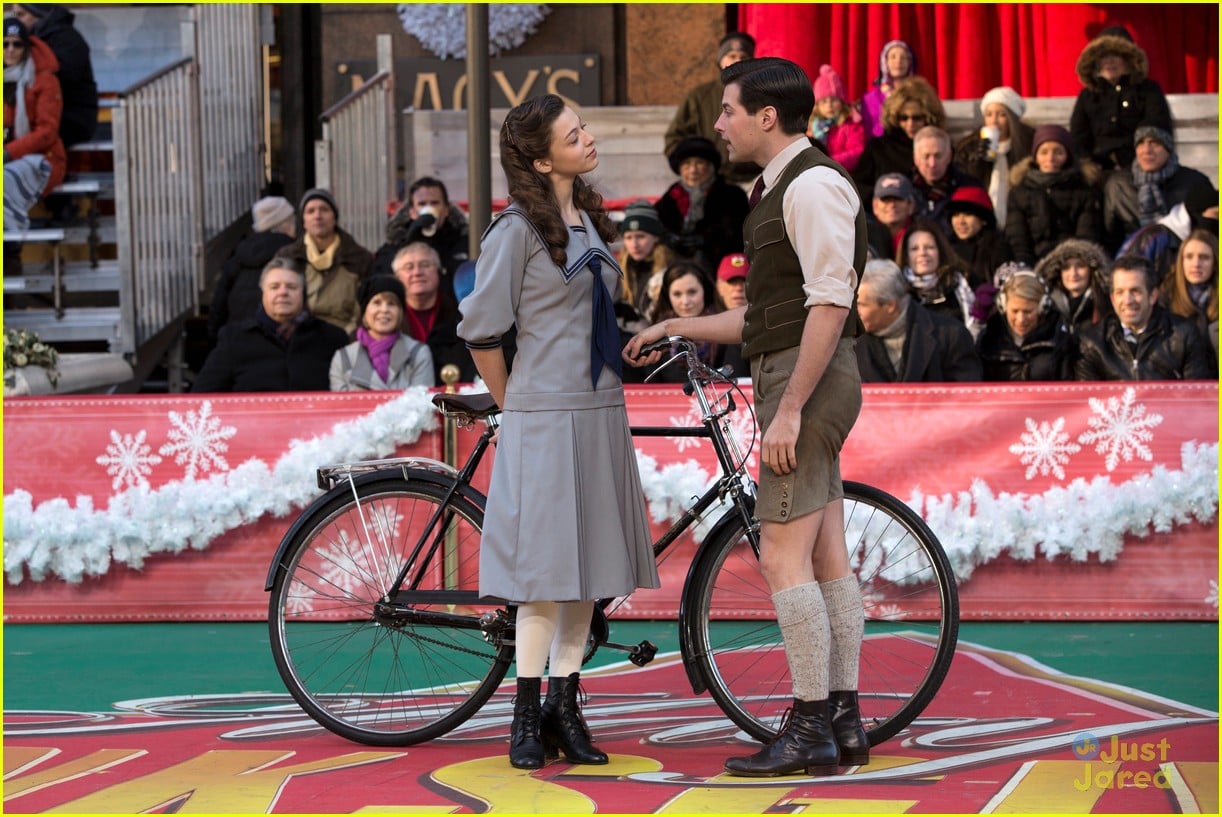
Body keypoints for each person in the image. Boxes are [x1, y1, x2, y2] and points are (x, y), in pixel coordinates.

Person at [625, 56, 869, 778]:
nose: (719, 124)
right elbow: (768, 314)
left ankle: (809, 729)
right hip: (802, 372)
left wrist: (790, 408)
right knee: (825, 554)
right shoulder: (783, 186)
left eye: (729, 110)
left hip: (807, 381)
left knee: (782, 556)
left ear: (768, 116)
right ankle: (842, 720)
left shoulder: (813, 184)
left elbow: (832, 303)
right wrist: (678, 326)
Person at [457, 94, 660, 770]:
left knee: (588, 573)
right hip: (546, 416)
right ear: (542, 157)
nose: (590, 137)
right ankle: (523, 712)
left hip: (600, 408)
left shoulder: (587, 217)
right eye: (576, 134)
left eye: (586, 128)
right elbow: (481, 328)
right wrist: (513, 403)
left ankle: (564, 706)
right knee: (546, 575)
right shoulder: (514, 229)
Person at [192, 258, 349, 392]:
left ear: (303, 293)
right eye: (274, 287)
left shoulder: (332, 338)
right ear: (263, 293)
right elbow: (202, 395)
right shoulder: (234, 339)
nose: (283, 292)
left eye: (291, 287)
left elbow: (351, 396)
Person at [1075, 255, 1214, 380]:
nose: (1127, 300)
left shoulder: (1184, 335)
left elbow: (1196, 396)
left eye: (1135, 291)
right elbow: (1089, 402)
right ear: (1112, 299)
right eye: (1120, 292)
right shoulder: (1093, 341)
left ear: (1153, 296)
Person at [854, 259, 980, 382]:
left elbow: (966, 396)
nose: (854, 311)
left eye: (861, 304)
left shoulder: (951, 335)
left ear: (890, 306)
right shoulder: (851, 343)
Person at [1069, 25, 1172, 172]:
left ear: (1129, 59)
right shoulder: (1088, 95)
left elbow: (1156, 129)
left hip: (1139, 168)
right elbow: (1078, 139)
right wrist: (1088, 167)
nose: (1109, 61)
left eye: (1116, 55)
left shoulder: (1148, 90)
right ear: (1096, 62)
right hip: (1099, 171)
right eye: (1103, 56)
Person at [664, 31, 760, 185]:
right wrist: (693, 167)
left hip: (756, 180)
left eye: (744, 57)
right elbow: (674, 139)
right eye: (732, 56)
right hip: (711, 183)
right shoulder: (699, 97)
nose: (738, 61)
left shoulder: (764, 95)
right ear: (721, 61)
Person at [1102, 126, 1216, 254]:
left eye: (1155, 143)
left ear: (1168, 149)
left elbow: (1209, 232)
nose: (1146, 150)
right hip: (1133, 261)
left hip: (1184, 260)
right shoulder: (1118, 184)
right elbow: (1109, 235)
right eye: (1140, 143)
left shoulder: (1194, 183)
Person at [276, 188, 373, 335]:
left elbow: (368, 305)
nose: (317, 216)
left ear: (335, 217)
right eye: (310, 211)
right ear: (303, 222)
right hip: (299, 339)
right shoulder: (288, 257)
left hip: (347, 340)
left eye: (324, 209)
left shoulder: (359, 257)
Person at [1005, 124, 1104, 267]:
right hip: (1031, 262)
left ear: (1067, 155)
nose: (1050, 158)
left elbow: (1087, 235)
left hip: (1070, 263)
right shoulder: (1019, 192)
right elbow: (1017, 237)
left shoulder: (1083, 190)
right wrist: (1026, 266)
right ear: (1035, 156)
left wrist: (1066, 264)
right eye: (1044, 152)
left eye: (1058, 152)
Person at [3, 16, 65, 235]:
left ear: (26, 47)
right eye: (5, 43)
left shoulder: (44, 80)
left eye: (17, 44)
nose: (10, 50)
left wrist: (9, 153)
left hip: (42, 158)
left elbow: (47, 132)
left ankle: (11, 251)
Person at [207, 195, 297, 344]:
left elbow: (218, 307)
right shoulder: (296, 257)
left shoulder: (237, 257)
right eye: (293, 220)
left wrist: (218, 341)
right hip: (282, 344)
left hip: (239, 343)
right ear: (286, 225)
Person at [656, 135, 748, 273]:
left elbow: (735, 235)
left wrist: (704, 241)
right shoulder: (671, 197)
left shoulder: (731, 196)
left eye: (699, 163)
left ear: (711, 167)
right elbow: (656, 226)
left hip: (718, 266)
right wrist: (671, 238)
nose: (693, 170)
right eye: (687, 164)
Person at [391, 241, 477, 386]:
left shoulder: (459, 314)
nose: (417, 272)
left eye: (425, 265)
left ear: (438, 271)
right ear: (397, 277)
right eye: (409, 267)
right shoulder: (388, 321)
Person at [12, 3, 96, 149]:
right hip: (45, 114)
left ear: (38, 14)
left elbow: (60, 79)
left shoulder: (68, 40)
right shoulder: (27, 42)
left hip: (70, 118)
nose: (18, 22)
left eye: (21, 15)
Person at [851, 76, 944, 207]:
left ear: (929, 117)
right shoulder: (879, 147)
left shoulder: (940, 146)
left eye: (917, 118)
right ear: (894, 117)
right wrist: (883, 198)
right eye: (903, 118)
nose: (910, 124)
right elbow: (858, 186)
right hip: (886, 214)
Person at [330, 275, 433, 391]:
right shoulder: (343, 358)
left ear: (400, 313)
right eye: (377, 303)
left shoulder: (419, 353)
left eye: (391, 304)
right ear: (364, 312)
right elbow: (342, 406)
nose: (384, 310)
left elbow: (422, 404)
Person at [372, 176, 470, 290]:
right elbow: (383, 282)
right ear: (412, 212)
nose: (428, 209)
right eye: (422, 204)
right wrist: (409, 242)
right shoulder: (394, 244)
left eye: (434, 203)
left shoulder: (463, 243)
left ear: (446, 210)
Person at [954, 86, 1033, 227]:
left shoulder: (1028, 146)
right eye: (989, 114)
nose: (994, 121)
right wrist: (978, 161)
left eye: (1001, 114)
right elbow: (966, 185)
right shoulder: (968, 147)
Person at [976, 269, 1073, 381]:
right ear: (1003, 306)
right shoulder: (987, 340)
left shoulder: (1060, 341)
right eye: (1015, 311)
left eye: (1028, 312)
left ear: (1042, 308)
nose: (1021, 319)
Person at [897, 219, 978, 334]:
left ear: (940, 251)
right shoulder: (898, 290)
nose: (922, 253)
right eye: (914, 249)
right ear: (906, 256)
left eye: (929, 247)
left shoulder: (962, 283)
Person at [910, 126, 985, 230]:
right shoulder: (904, 189)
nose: (932, 164)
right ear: (915, 159)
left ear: (949, 156)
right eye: (926, 156)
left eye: (938, 156)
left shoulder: (969, 188)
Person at [1034, 237, 1111, 338]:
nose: (1073, 273)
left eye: (1080, 266)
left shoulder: (1106, 303)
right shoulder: (1048, 307)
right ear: (1058, 272)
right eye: (1066, 267)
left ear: (1092, 269)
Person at [615, 199, 672, 327]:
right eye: (629, 237)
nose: (634, 244)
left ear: (656, 237)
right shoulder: (617, 269)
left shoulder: (671, 269)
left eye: (641, 236)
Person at [1165, 229, 1219, 359]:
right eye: (1189, 257)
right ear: (1181, 261)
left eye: (1204, 257)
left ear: (1215, 263)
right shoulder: (1164, 296)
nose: (1196, 264)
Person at [946, 185, 1012, 288]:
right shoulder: (947, 248)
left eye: (967, 214)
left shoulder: (998, 249)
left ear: (983, 220)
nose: (960, 221)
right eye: (956, 215)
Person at [806, 65, 866, 173]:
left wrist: (829, 162)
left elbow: (857, 152)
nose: (829, 106)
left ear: (842, 102)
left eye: (834, 100)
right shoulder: (811, 128)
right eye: (824, 101)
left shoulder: (851, 126)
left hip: (843, 174)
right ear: (817, 106)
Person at [858, 39, 917, 140]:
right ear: (885, 62)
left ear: (910, 63)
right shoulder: (869, 99)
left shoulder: (920, 93)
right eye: (893, 57)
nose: (898, 61)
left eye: (903, 57)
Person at [866, 172, 916, 261]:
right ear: (875, 206)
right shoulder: (862, 235)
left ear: (911, 205)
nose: (892, 205)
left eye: (898, 199)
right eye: (886, 199)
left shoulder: (922, 235)